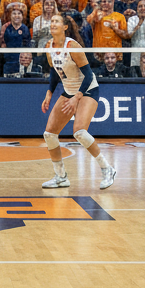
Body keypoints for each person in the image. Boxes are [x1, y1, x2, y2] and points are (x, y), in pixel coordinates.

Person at [40, 13, 116, 190]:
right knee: (49, 134)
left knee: (80, 132)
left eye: (56, 21)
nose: (53, 23)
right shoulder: (49, 46)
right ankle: (60, 177)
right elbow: (54, 71)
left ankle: (107, 169)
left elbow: (89, 75)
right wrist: (49, 93)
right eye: (51, 21)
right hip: (69, 91)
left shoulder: (72, 46)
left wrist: (77, 97)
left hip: (87, 89)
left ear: (65, 27)